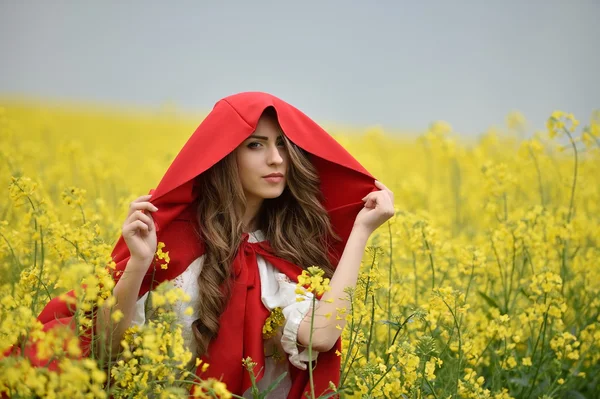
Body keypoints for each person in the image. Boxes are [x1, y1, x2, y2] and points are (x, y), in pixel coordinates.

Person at [39, 92, 395, 398]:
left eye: (283, 144)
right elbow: (103, 350)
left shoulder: (284, 248)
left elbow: (320, 335)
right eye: (256, 145)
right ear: (224, 154)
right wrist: (138, 262)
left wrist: (362, 230)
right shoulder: (166, 232)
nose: (276, 159)